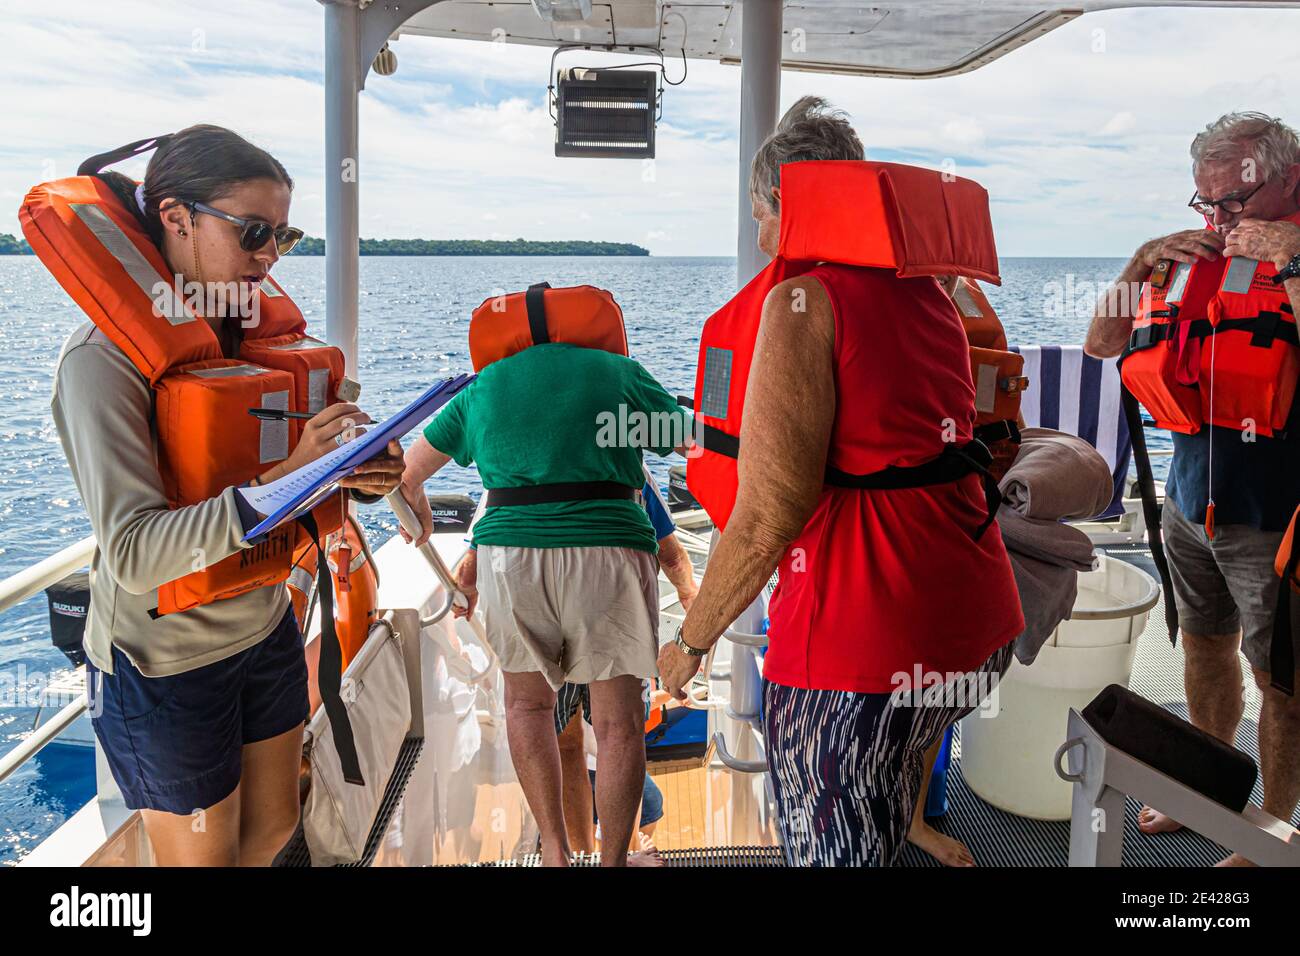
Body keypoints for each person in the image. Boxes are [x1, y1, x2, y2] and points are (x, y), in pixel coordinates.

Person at [657, 97, 1025, 867]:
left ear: (785, 212)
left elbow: (766, 517)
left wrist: (690, 644)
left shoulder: (802, 302)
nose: (759, 237)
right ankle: (907, 825)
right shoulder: (933, 291)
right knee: (889, 792)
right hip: (974, 624)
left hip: (859, 655)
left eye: (760, 214)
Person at [46, 126, 405, 865]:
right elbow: (137, 554)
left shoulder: (248, 335)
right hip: (164, 665)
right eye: (252, 233)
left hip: (262, 627)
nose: (271, 257)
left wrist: (363, 472)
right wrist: (289, 479)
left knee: (273, 833)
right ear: (176, 218)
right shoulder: (102, 362)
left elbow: (314, 465)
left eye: (283, 235)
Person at [398, 291, 693, 867]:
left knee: (527, 708)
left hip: (512, 559)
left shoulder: (483, 388)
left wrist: (427, 512)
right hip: (608, 553)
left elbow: (408, 475)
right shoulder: (617, 373)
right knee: (618, 723)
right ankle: (613, 863)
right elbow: (691, 438)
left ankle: (556, 855)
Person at [1084, 111, 1300, 863]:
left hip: (1278, 514)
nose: (1218, 220)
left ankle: (1271, 831)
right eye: (1205, 204)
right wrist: (1140, 261)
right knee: (1206, 652)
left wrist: (1293, 256)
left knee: (1282, 683)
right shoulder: (1183, 258)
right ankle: (1208, 792)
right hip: (1189, 500)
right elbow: (1101, 342)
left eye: (1233, 204)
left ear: (1289, 178)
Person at [553, 470, 695, 864]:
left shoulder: (532, 453)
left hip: (551, 612)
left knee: (567, 744)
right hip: (616, 612)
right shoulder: (629, 466)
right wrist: (691, 605)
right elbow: (670, 552)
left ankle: (578, 854)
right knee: (621, 738)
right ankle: (623, 854)